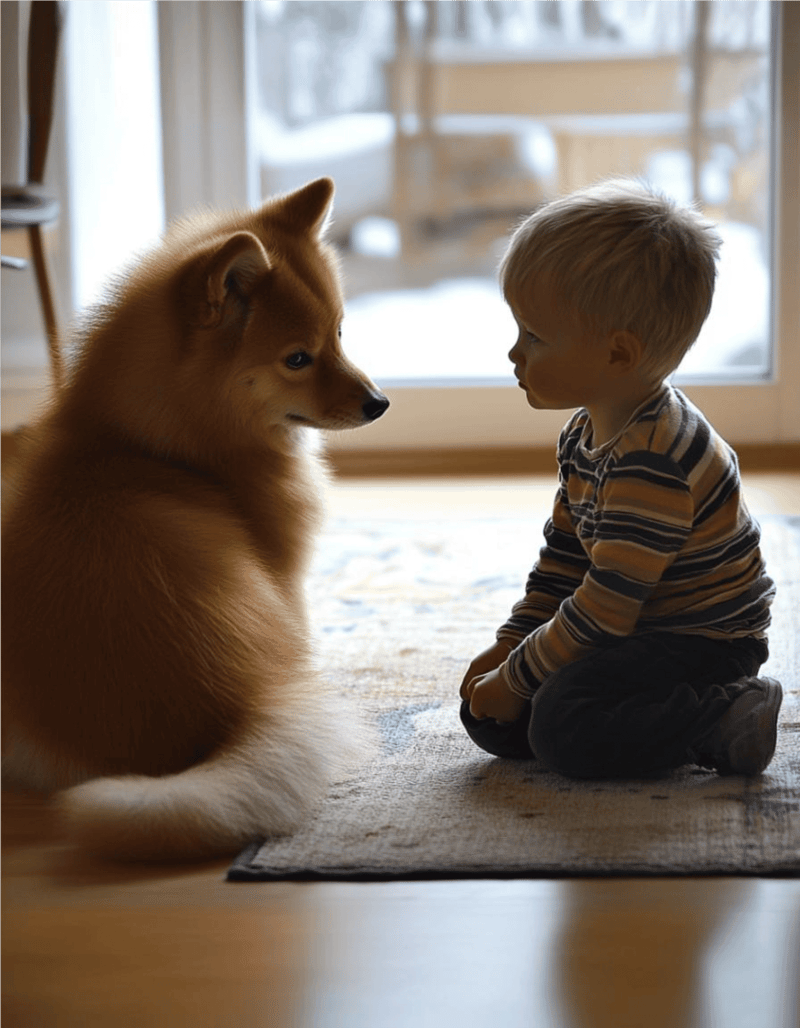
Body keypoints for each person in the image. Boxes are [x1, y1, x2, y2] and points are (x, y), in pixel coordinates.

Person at [459, 179, 782, 779]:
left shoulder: (652, 461)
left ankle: (724, 713)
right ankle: (622, 720)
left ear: (617, 354)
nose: (514, 353)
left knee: (561, 724)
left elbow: (605, 607)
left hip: (703, 638)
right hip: (636, 616)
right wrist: (515, 642)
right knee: (489, 714)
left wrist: (523, 675)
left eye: (534, 336)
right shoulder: (587, 431)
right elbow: (563, 557)